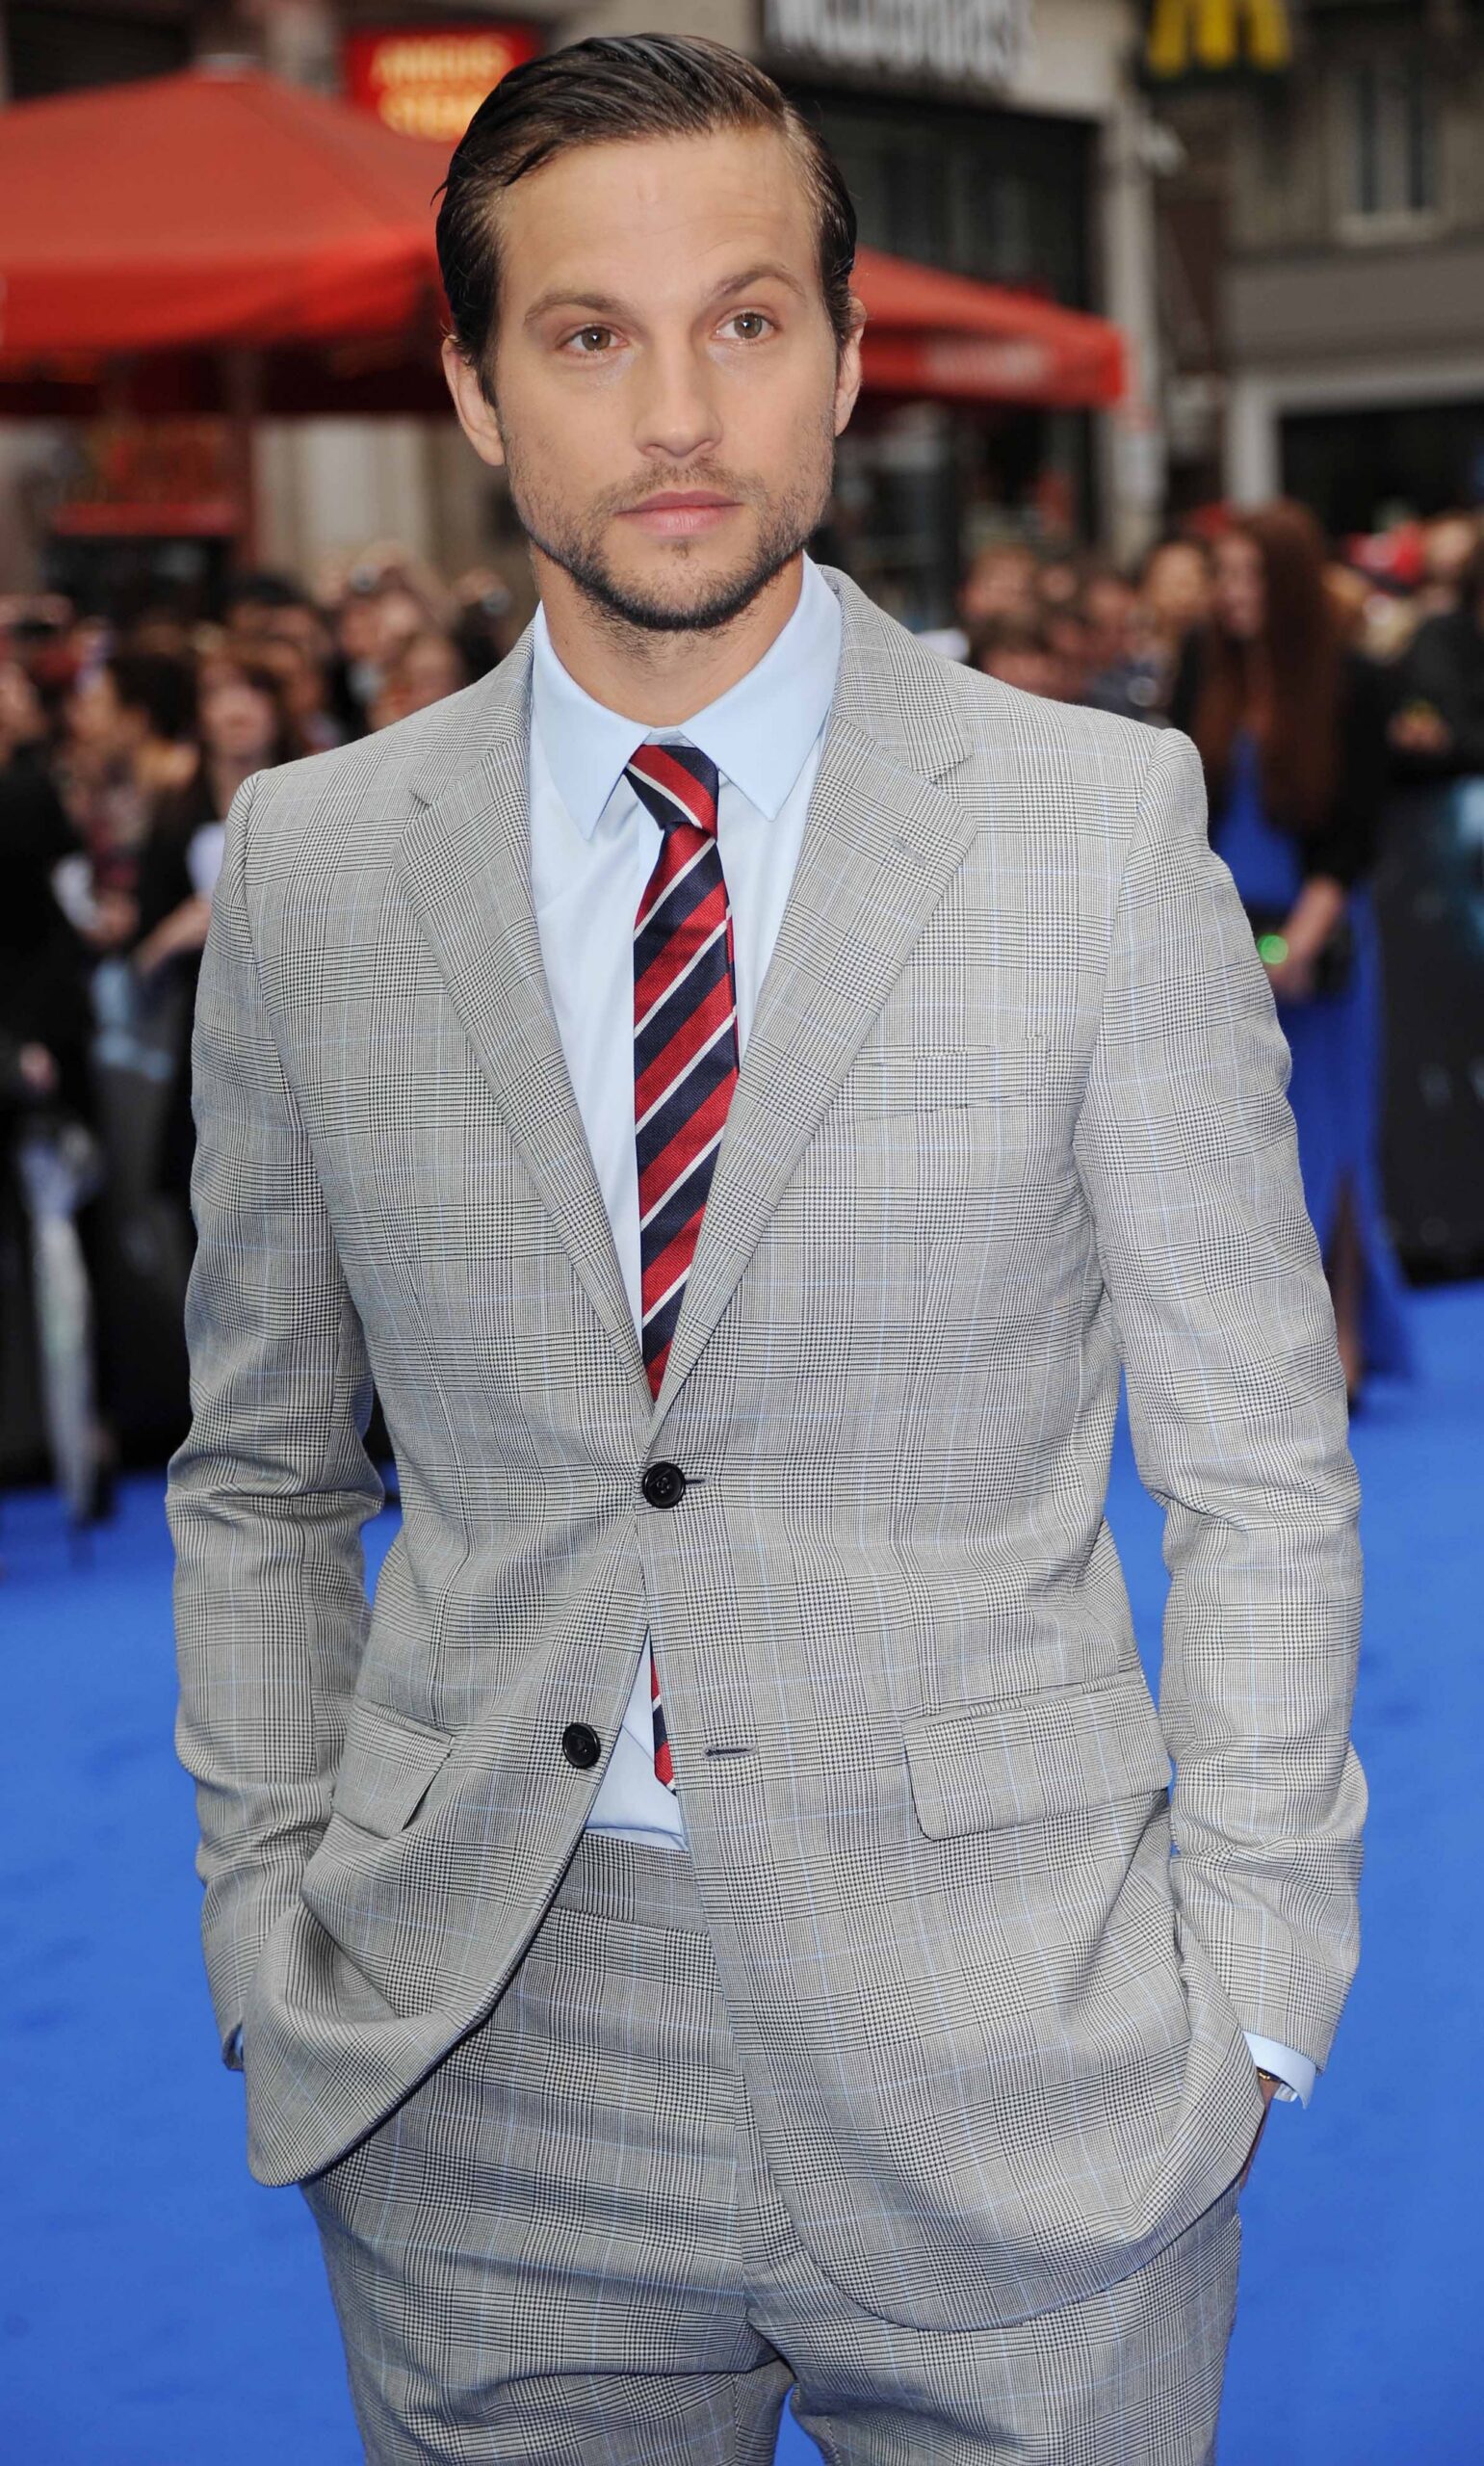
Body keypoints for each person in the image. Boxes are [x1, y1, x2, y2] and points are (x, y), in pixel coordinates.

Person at [169, 37, 1366, 2466]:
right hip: (481, 2055)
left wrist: (1249, 1983)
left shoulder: (1094, 827)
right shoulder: (311, 870)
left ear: (839, 357)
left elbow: (1256, 1456)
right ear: (475, 391)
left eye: (740, 321)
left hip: (1020, 2038)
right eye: (585, 334)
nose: (674, 412)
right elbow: (262, 1470)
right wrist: (266, 1915)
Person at [1170, 503, 1412, 1404]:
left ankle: (1339, 1335)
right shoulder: (1202, 671)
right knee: (1231, 1147)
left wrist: (1298, 941)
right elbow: (1176, 806)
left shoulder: (1354, 684)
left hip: (1322, 938)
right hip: (1215, 934)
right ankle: (1255, 1344)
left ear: (1292, 584)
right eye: (1223, 576)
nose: (1233, 595)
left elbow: (1355, 834)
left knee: (1331, 1141)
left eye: (1251, 576)